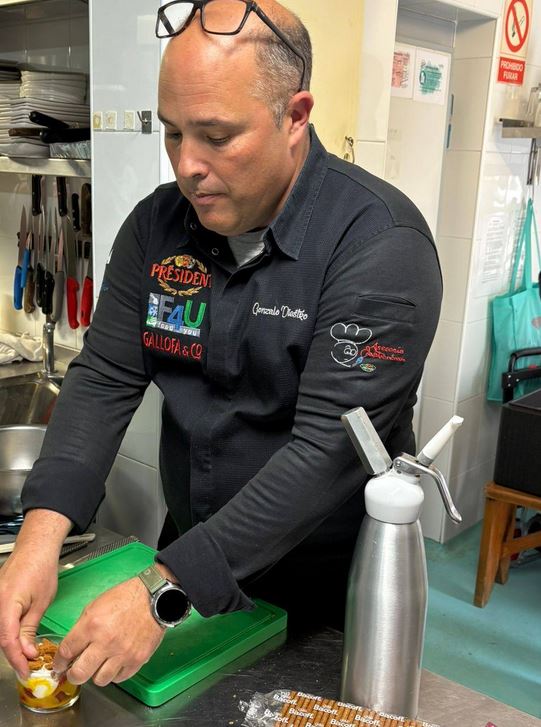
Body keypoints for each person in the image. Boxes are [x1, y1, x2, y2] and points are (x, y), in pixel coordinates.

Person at [0, 0, 442, 690]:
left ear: (295, 116)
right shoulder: (157, 226)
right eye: (173, 132)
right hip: (186, 557)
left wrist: (163, 589)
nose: (187, 165)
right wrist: (39, 533)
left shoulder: (380, 245)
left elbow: (326, 450)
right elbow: (105, 377)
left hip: (323, 592)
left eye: (215, 135)